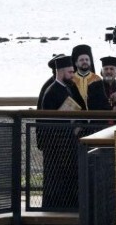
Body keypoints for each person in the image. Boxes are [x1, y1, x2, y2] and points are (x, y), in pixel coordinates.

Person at [36, 53, 86, 209]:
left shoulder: (68, 87)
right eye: (70, 72)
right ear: (61, 72)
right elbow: (49, 119)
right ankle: (55, 207)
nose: (73, 75)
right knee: (56, 176)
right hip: (56, 143)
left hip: (69, 139)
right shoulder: (51, 91)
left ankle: (70, 205)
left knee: (69, 176)